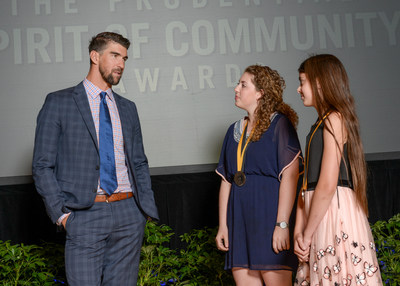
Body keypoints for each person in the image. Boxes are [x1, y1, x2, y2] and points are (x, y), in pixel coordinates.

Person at [32, 32, 159, 285]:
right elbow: (42, 165)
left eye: (124, 58)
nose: (121, 64)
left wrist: (143, 209)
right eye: (114, 55)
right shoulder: (59, 102)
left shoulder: (127, 107)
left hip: (128, 213)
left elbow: (139, 162)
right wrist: (62, 215)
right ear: (94, 56)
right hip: (84, 214)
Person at [294, 54, 382, 285]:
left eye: (302, 81)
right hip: (320, 214)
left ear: (320, 83)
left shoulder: (334, 119)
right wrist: (300, 230)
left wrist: (307, 233)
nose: (298, 89)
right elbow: (308, 185)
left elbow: (326, 184)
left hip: (333, 213)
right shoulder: (320, 124)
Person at [215, 65, 303, 286]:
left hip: (269, 219)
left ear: (260, 92)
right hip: (239, 221)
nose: (236, 88)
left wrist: (282, 225)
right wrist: (223, 226)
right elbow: (227, 181)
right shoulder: (233, 130)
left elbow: (290, 177)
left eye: (243, 85)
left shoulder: (280, 125)